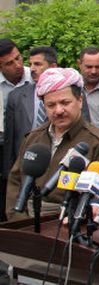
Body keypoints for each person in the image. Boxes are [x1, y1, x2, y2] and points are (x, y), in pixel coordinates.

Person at [6, 67, 99, 221]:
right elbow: (15, 182)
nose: (58, 110)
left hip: (64, 224)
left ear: (80, 100)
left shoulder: (98, 143)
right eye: (51, 105)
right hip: (25, 221)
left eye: (65, 102)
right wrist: (18, 220)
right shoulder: (33, 138)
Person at [4, 46, 58, 179]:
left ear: (53, 67)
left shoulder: (69, 94)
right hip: (25, 165)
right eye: (31, 64)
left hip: (56, 165)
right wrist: (8, 173)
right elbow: (10, 139)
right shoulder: (16, 96)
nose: (32, 69)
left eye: (38, 64)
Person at [0, 39, 32, 222]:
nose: (18, 65)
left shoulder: (33, 76)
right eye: (9, 63)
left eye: (18, 58)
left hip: (25, 143)